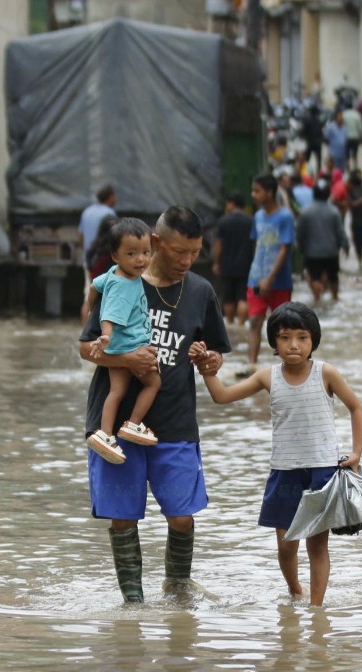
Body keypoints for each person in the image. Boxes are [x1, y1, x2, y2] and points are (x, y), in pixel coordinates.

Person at [79, 206, 230, 604]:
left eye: (195, 253)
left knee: (181, 515)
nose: (187, 261)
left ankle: (178, 590)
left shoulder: (200, 291)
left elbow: (215, 352)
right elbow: (85, 348)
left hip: (175, 421)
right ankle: (133, 603)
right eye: (179, 252)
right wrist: (126, 360)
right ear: (157, 244)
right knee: (123, 516)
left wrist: (211, 361)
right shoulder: (122, 282)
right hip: (116, 426)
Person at [192, 302, 362, 606]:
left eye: (302, 337)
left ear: (313, 341)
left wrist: (356, 453)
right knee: (286, 545)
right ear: (273, 341)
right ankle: (295, 589)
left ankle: (316, 609)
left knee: (317, 546)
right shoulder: (267, 377)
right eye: (285, 338)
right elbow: (221, 396)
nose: (294, 345)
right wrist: (207, 370)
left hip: (322, 472)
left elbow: (355, 406)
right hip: (284, 471)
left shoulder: (326, 373)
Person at [84, 218, 162, 464]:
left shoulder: (111, 274)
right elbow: (111, 315)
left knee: (116, 391)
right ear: (115, 255)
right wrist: (105, 335)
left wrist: (89, 305)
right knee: (153, 383)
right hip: (130, 346)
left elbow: (94, 287)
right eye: (132, 254)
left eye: (145, 252)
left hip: (119, 346)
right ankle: (133, 424)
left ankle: (106, 434)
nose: (140, 260)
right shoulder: (126, 286)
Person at [243, 174, 295, 375]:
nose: (253, 195)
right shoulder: (257, 216)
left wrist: (270, 279)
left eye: (257, 191)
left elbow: (284, 249)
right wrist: (258, 275)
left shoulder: (285, 217)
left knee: (282, 326)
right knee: (255, 321)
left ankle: (286, 366)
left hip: (279, 282)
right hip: (255, 278)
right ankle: (252, 366)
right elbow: (258, 245)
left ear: (270, 192)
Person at [297, 180, 349, 302]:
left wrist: (301, 247)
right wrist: (345, 245)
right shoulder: (334, 211)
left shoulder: (305, 212)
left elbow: (300, 233)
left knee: (314, 278)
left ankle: (318, 300)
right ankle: (335, 298)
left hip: (312, 253)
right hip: (331, 252)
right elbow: (340, 232)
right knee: (333, 278)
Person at [212, 193, 254, 325]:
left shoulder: (223, 221)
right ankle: (241, 324)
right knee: (243, 297)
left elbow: (219, 245)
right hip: (246, 264)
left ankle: (229, 323)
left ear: (231, 203)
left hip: (227, 265)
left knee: (228, 297)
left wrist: (216, 262)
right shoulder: (250, 221)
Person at [78, 184, 119, 322]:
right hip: (105, 261)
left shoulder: (86, 212)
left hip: (90, 261)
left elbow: (80, 238)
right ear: (111, 197)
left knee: (88, 296)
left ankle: (84, 332)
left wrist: (88, 255)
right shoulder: (109, 214)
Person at [342, 104, 362, 170]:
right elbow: (360, 128)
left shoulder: (344, 114)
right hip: (355, 137)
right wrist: (360, 136)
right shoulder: (357, 115)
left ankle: (348, 169)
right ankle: (355, 168)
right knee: (355, 155)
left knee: (347, 156)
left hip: (347, 138)